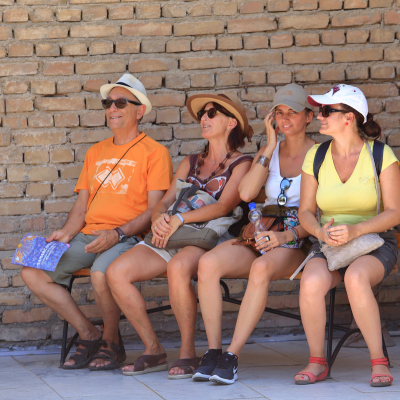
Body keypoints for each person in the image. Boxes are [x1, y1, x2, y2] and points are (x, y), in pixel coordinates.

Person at [20, 74, 173, 371]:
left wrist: (117, 233)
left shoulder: (155, 152)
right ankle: (90, 334)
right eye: (107, 103)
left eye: (120, 103)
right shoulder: (95, 152)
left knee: (101, 273)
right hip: (87, 235)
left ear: (139, 110)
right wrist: (64, 233)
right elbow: (82, 205)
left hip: (128, 237)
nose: (112, 109)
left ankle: (113, 343)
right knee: (32, 272)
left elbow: (154, 209)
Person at [106, 93, 253, 379]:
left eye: (212, 114)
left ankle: (188, 353)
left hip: (205, 237)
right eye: (203, 115)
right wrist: (160, 217)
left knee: (178, 268)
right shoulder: (191, 160)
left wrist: (180, 218)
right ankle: (153, 350)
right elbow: (163, 200)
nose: (204, 119)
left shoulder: (242, 162)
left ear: (231, 123)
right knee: (116, 272)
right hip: (170, 233)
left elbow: (224, 206)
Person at [193, 83, 315, 384]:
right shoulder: (269, 151)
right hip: (259, 230)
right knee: (208, 264)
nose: (285, 119)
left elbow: (318, 214)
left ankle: (231, 357)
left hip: (297, 236)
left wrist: (285, 237)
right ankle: (213, 351)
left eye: (293, 113)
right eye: (279, 113)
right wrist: (270, 145)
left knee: (261, 268)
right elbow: (247, 191)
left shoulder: (321, 154)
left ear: (309, 117)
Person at [296, 84, 400, 387]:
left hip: (374, 242)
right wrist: (318, 231)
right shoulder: (315, 156)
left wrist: (356, 229)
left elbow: (395, 212)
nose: (319, 117)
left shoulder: (381, 154)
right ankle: (317, 361)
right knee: (311, 281)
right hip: (328, 244)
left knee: (356, 278)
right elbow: (305, 211)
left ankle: (378, 361)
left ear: (349, 118)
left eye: (327, 111)